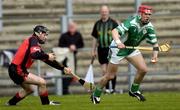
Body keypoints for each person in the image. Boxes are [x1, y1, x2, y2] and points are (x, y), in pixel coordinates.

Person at [91, 5, 159, 104]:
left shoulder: (149, 27)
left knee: (143, 69)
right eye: (145, 14)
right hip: (118, 49)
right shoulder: (131, 22)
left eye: (149, 14)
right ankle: (96, 94)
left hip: (131, 49)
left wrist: (155, 55)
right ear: (140, 14)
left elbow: (155, 44)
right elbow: (114, 31)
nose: (148, 16)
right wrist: (118, 42)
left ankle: (134, 90)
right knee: (110, 76)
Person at [7, 25, 72, 105]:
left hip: (15, 69)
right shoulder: (33, 39)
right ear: (39, 33)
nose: (46, 37)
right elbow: (34, 55)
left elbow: (47, 60)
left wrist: (63, 68)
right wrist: (47, 55)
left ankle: (11, 103)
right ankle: (46, 104)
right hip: (17, 70)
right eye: (45, 35)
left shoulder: (35, 45)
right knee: (42, 82)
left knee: (29, 89)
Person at [91, 5, 118, 94]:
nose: (104, 13)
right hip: (101, 49)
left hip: (112, 49)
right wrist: (93, 50)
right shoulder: (97, 24)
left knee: (112, 71)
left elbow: (119, 35)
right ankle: (107, 89)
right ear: (100, 12)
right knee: (104, 71)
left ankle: (112, 89)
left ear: (108, 12)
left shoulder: (113, 23)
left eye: (105, 11)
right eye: (102, 11)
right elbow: (95, 38)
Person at [58, 21, 84, 94]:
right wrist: (68, 47)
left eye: (73, 26)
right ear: (68, 27)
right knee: (65, 73)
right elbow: (60, 45)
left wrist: (75, 47)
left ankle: (65, 89)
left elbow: (81, 45)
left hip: (73, 58)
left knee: (72, 73)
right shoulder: (64, 35)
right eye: (70, 26)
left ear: (75, 27)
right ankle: (64, 90)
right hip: (64, 58)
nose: (71, 28)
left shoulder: (78, 35)